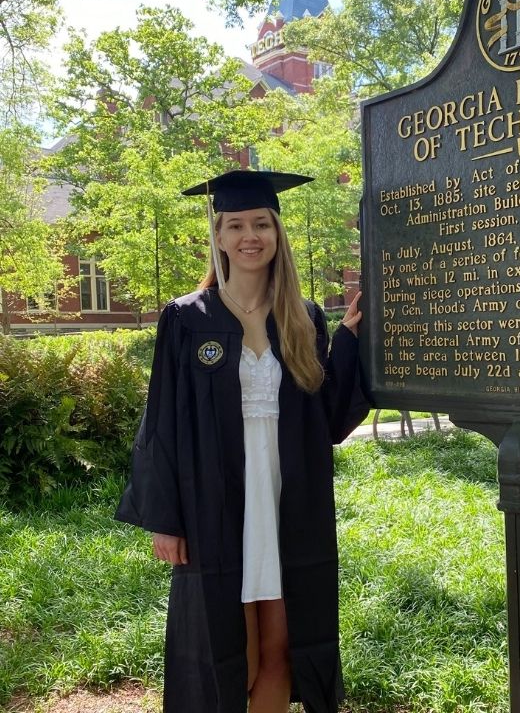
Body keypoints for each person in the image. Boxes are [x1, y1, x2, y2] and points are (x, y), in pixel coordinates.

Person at [115, 169, 370, 713]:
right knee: (229, 650)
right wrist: (166, 517)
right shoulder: (187, 318)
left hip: (288, 498)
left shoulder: (302, 319)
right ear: (219, 235)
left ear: (277, 234)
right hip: (214, 500)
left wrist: (347, 340)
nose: (249, 236)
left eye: (261, 223)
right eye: (236, 225)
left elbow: (324, 418)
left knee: (283, 647)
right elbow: (164, 421)